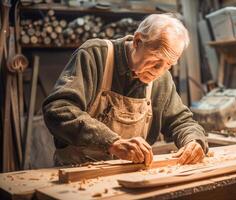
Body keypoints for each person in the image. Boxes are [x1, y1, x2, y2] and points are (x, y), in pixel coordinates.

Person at [43, 13, 208, 167]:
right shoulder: (95, 55)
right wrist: (112, 142)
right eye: (156, 60)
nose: (160, 71)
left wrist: (193, 140)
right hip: (77, 172)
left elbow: (181, 121)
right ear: (137, 41)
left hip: (130, 176)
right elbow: (58, 110)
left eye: (169, 65)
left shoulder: (161, 78)